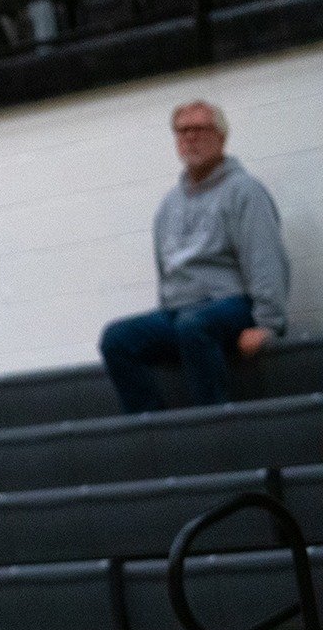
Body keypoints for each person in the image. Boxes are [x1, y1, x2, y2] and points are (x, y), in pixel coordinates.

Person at [98, 101, 292, 413]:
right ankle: (155, 427)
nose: (190, 137)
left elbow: (264, 257)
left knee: (194, 325)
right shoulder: (169, 204)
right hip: (181, 312)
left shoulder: (244, 191)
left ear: (221, 137)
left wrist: (269, 322)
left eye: (199, 129)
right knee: (117, 339)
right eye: (182, 131)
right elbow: (167, 270)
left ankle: (211, 424)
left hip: (232, 303)